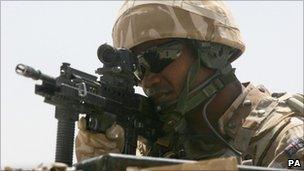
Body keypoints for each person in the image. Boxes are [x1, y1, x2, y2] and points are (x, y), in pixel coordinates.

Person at [75, 0, 304, 169]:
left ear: (212, 52)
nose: (147, 79)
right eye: (137, 67)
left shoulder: (283, 137)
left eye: (159, 57)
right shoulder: (157, 147)